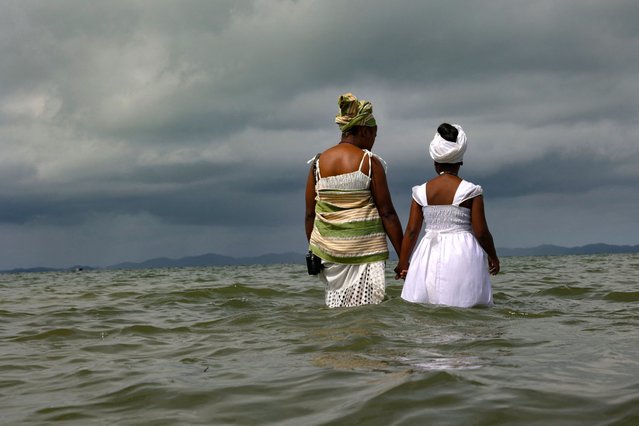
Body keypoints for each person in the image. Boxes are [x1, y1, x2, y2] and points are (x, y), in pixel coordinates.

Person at [305, 93, 403, 308]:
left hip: (329, 251)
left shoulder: (318, 164)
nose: (374, 141)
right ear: (365, 130)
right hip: (365, 250)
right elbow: (387, 213)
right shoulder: (368, 162)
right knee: (367, 312)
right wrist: (404, 258)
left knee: (336, 310)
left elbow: (311, 214)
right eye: (374, 135)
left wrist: (314, 251)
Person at [395, 123, 499, 308]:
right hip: (462, 252)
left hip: (428, 251)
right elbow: (481, 231)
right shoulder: (471, 191)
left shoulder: (421, 192)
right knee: (466, 305)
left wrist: (403, 263)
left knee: (426, 309)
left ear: (435, 161)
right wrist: (493, 256)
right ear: (461, 161)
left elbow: (411, 231)